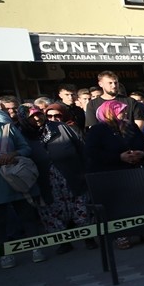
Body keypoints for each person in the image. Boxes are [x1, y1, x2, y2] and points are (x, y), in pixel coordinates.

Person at [0, 92, 43, 268]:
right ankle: (5, 254)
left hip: (17, 179)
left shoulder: (7, 127)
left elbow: (25, 148)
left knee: (27, 215)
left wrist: (15, 154)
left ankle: (37, 248)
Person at [31, 104, 91, 253]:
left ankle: (89, 237)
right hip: (46, 180)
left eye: (39, 114)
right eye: (32, 116)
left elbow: (81, 148)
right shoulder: (23, 134)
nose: (37, 118)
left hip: (71, 175)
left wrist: (85, 170)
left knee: (80, 206)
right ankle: (63, 242)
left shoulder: (61, 128)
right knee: (53, 210)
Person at [84, 99, 144, 173]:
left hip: (135, 170)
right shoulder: (98, 130)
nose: (125, 113)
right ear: (110, 112)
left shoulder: (131, 126)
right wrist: (119, 157)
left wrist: (141, 153)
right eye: (121, 111)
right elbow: (92, 153)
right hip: (110, 173)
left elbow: (143, 143)